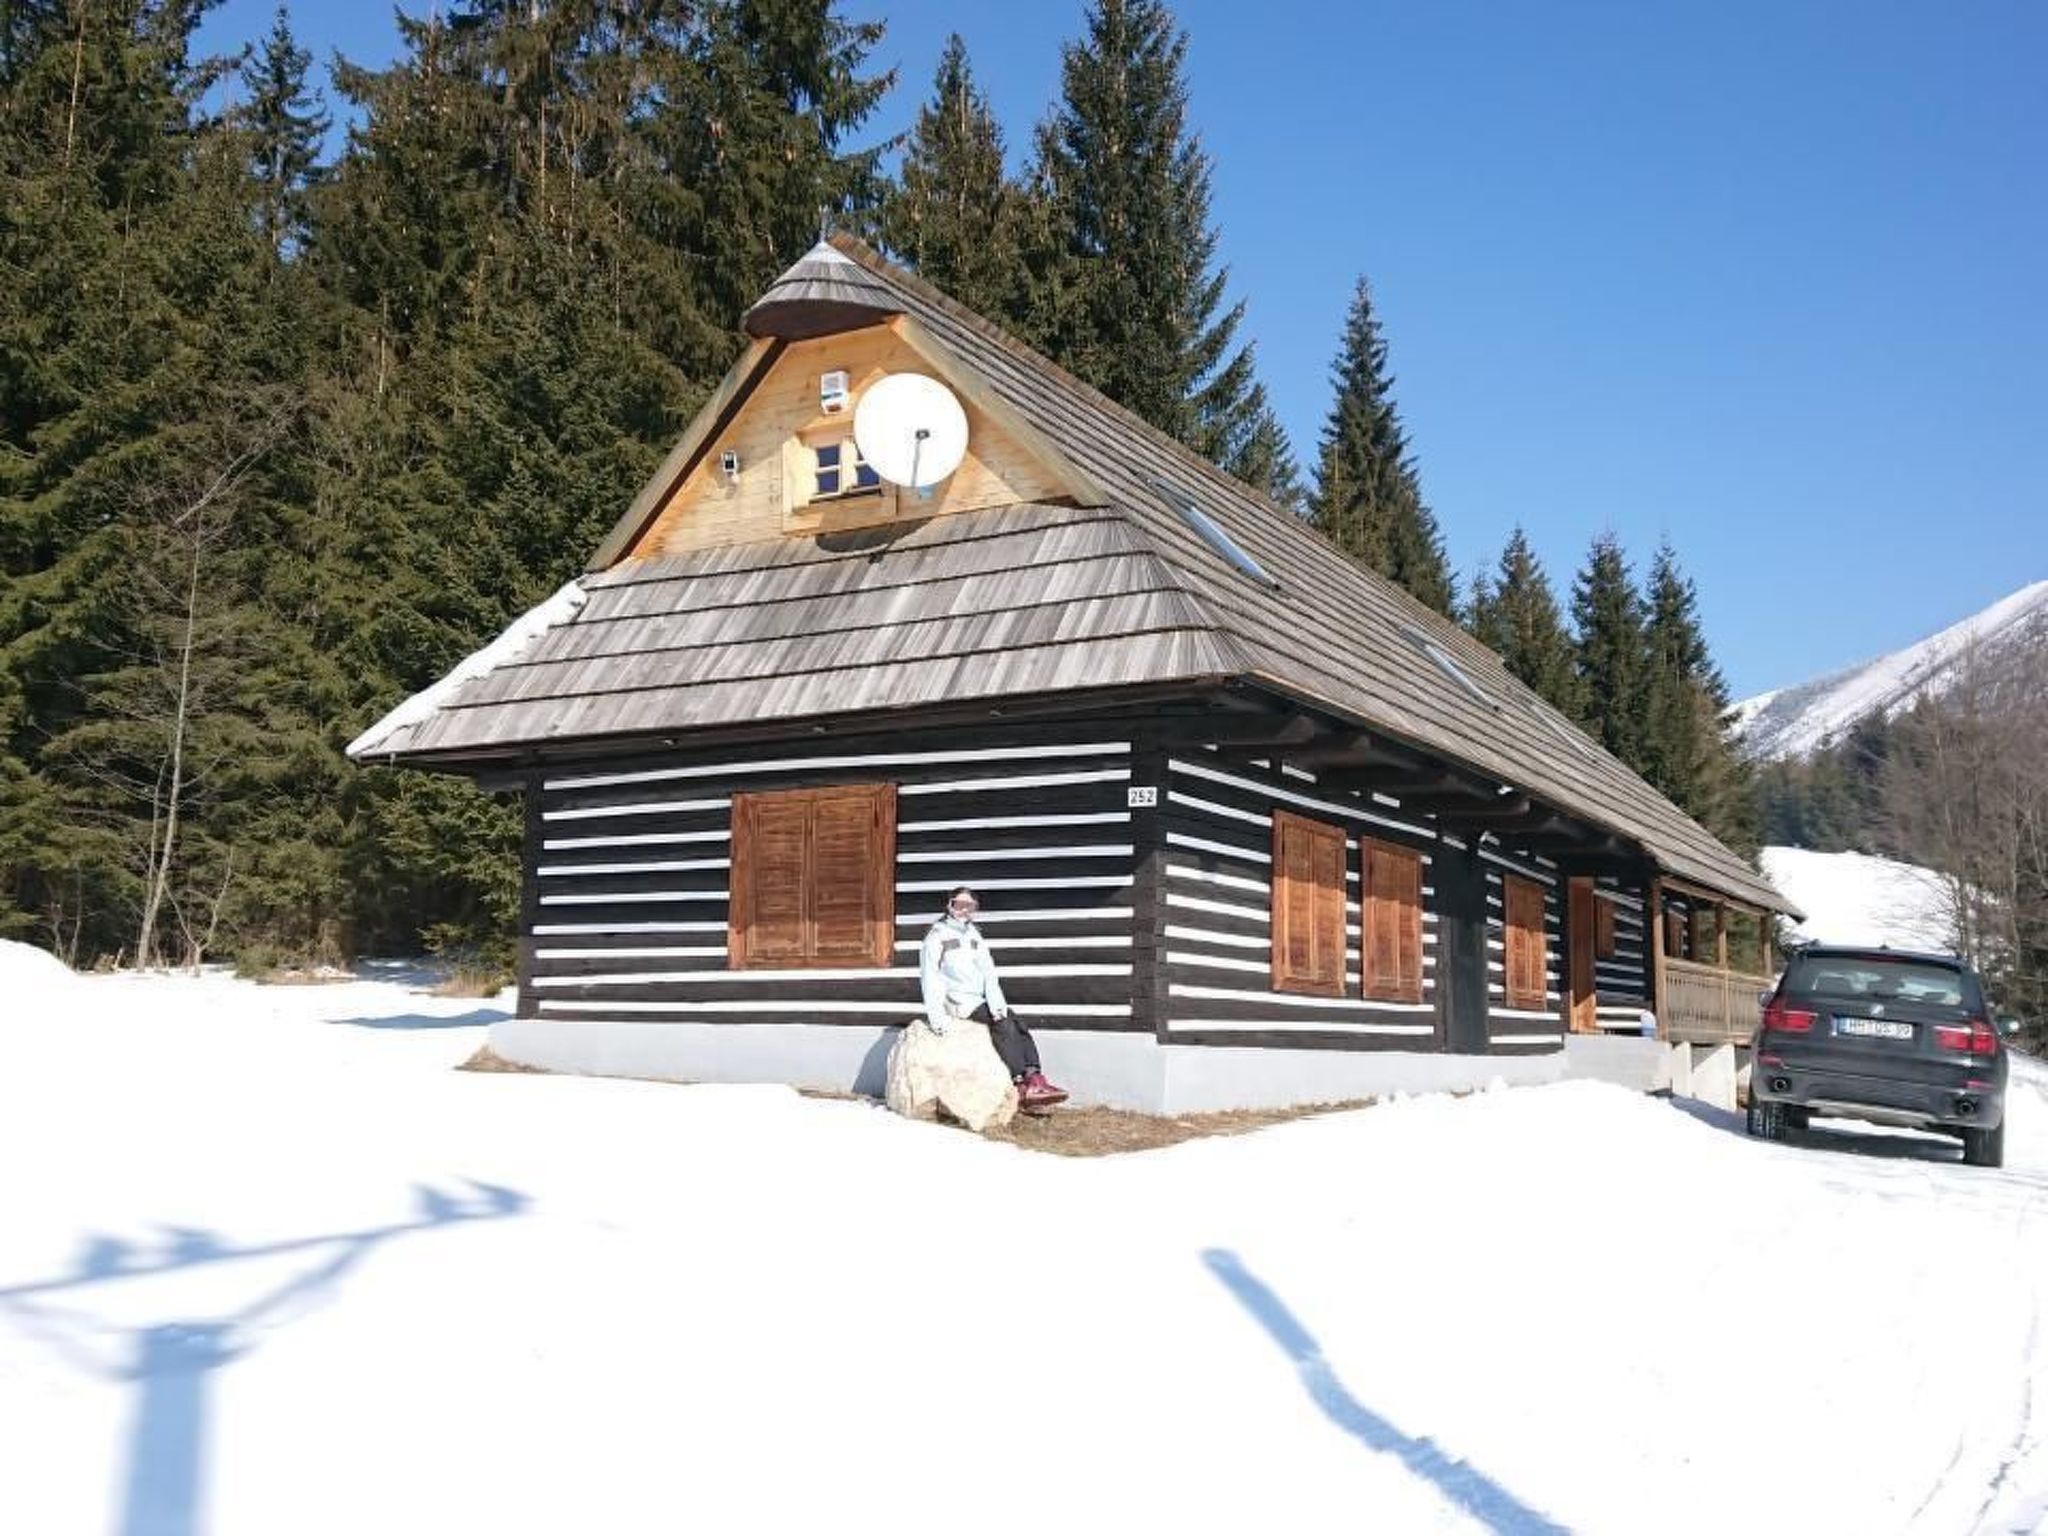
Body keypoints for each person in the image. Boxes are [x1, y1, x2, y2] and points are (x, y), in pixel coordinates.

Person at [919, 885, 1069, 1111]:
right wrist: (937, 1019)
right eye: (959, 905)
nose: (964, 910)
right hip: (959, 1001)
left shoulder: (974, 935)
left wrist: (998, 1004)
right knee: (1003, 1025)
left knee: (1015, 1021)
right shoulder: (937, 936)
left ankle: (1035, 1077)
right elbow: (930, 978)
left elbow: (989, 973)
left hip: (979, 998)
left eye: (970, 906)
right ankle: (1019, 1081)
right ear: (949, 906)